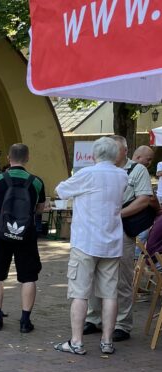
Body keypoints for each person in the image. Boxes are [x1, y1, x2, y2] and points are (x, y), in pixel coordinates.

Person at [53, 137, 127, 355]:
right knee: (110, 294)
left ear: (94, 154)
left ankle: (76, 342)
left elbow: (60, 190)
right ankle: (107, 342)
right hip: (112, 242)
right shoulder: (122, 175)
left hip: (85, 241)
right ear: (115, 155)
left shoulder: (87, 174)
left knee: (80, 293)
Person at [82, 137, 153, 343]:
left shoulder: (137, 170)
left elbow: (144, 199)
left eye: (115, 149)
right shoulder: (99, 168)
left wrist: (116, 214)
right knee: (95, 274)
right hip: (98, 230)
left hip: (121, 230)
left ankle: (122, 324)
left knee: (122, 277)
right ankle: (94, 319)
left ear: (124, 150)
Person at [0, 144, 45, 333]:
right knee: (28, 277)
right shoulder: (36, 182)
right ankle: (25, 321)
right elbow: (40, 209)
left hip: (0, 233)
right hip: (26, 234)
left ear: (9, 158)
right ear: (27, 158)